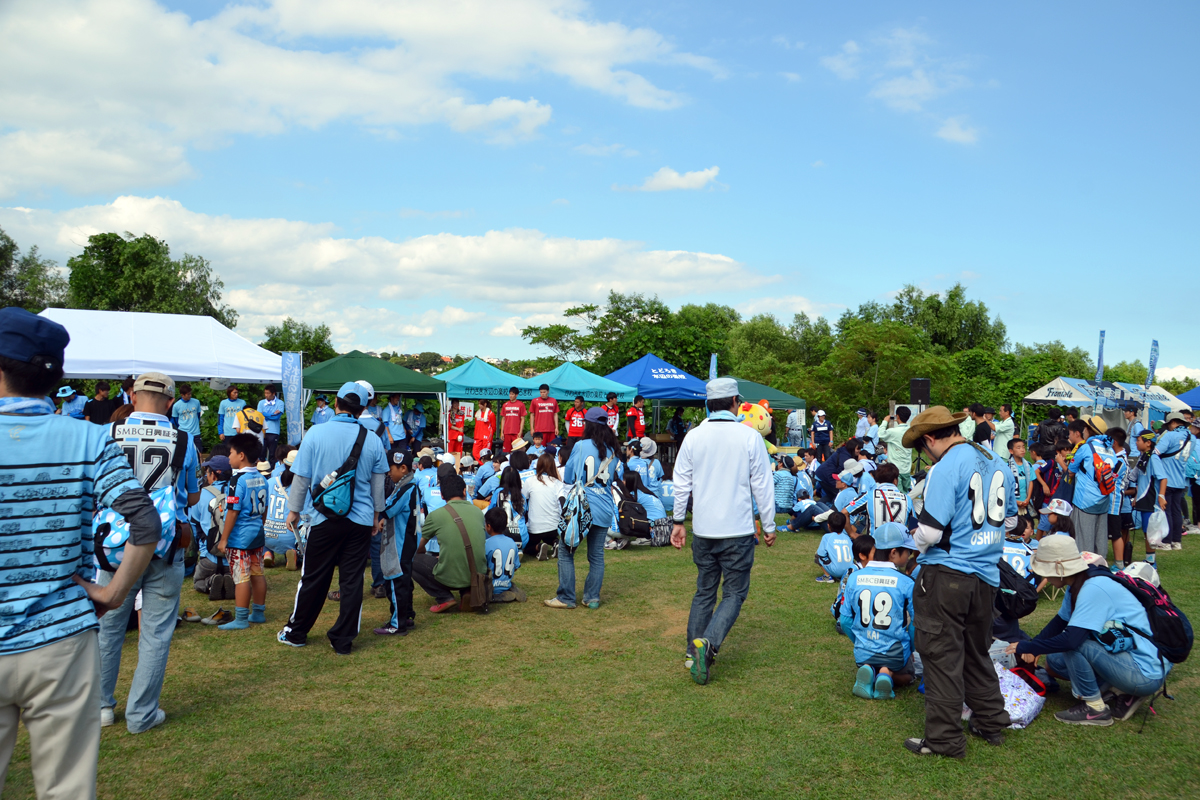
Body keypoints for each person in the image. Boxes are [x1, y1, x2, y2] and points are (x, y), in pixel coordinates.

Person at [0, 308, 160, 797]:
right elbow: (146, 522)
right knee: (66, 788)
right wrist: (114, 594)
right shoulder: (89, 438)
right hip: (62, 639)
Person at [901, 405, 1015, 758]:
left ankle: (944, 739)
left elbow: (932, 531)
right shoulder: (997, 460)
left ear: (930, 439)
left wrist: (913, 544)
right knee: (975, 652)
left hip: (948, 575)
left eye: (922, 448)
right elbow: (1010, 522)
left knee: (941, 656)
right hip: (986, 576)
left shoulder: (945, 466)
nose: (923, 454)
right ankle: (990, 720)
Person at [97, 372, 201, 734]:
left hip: (115, 545)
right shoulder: (183, 439)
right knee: (156, 632)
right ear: (171, 401)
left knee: (108, 627)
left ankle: (102, 707)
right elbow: (192, 497)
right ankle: (142, 714)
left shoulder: (106, 433)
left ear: (132, 394)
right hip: (164, 544)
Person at [671, 377, 776, 685]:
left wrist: (678, 522)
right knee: (734, 592)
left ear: (707, 404)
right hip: (738, 531)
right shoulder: (748, 437)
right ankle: (709, 644)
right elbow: (762, 484)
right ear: (735, 403)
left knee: (704, 590)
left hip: (704, 530)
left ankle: (693, 651)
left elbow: (681, 483)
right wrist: (768, 526)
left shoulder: (693, 436)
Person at [1008, 535, 1171, 725]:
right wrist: (1033, 646)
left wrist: (1028, 647)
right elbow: (1061, 621)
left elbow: (1071, 640)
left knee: (1075, 644)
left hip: (1145, 672)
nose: (1044, 577)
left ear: (1059, 568)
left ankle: (1096, 708)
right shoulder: (1078, 582)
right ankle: (1116, 690)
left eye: (1046, 571)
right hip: (1127, 657)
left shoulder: (1093, 587)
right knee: (1054, 662)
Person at [279, 382, 388, 654]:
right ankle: (343, 639)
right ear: (363, 409)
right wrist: (376, 516)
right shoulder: (372, 439)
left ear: (336, 403)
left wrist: (293, 510)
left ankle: (296, 632)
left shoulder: (316, 433)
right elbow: (378, 484)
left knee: (314, 577)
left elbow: (301, 477)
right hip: (360, 520)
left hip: (322, 517)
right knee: (352, 580)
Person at [546, 407, 619, 610]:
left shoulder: (580, 445)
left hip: (582, 506)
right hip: (604, 506)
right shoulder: (614, 450)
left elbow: (569, 477)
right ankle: (592, 597)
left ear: (588, 425)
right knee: (596, 556)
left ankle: (566, 598)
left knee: (566, 551)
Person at [841, 522, 917, 700]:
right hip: (895, 652)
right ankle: (885, 674)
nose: (909, 555)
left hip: (862, 651)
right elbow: (915, 624)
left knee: (870, 657)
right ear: (893, 553)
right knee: (909, 675)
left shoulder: (854, 577)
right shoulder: (906, 582)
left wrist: (859, 640)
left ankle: (869, 668)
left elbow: (844, 620)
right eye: (907, 551)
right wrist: (910, 649)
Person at [210, 433, 268, 630]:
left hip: (240, 537)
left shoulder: (236, 481)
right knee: (257, 573)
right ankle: (258, 612)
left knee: (241, 577)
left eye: (231, 453)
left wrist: (224, 539)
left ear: (241, 455)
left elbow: (233, 512)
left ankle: (241, 618)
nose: (229, 457)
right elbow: (264, 509)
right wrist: (260, 524)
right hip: (257, 534)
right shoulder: (262, 478)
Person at [412, 474, 487, 613]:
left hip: (450, 576)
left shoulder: (435, 515)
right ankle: (467, 592)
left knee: (411, 560)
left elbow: (419, 547)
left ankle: (444, 597)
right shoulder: (478, 512)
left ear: (442, 496)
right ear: (464, 491)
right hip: (477, 573)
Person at [374, 449, 419, 635]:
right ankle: (407, 616)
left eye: (390, 469)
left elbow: (388, 507)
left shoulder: (406, 488)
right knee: (405, 583)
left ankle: (397, 624)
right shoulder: (409, 485)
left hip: (401, 544)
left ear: (402, 468)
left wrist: (377, 510)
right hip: (408, 542)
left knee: (396, 582)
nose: (388, 473)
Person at [1067, 416, 1118, 557]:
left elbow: (1071, 470)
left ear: (1088, 430)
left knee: (1083, 537)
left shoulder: (1086, 448)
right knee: (1100, 538)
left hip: (1085, 499)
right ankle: (1100, 566)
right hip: (1104, 498)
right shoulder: (1110, 449)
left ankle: (1084, 569)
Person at [191, 456, 234, 595]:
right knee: (242, 578)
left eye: (208, 471)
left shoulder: (201, 494)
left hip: (208, 557)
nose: (206, 474)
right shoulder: (238, 491)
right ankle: (231, 580)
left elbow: (194, 523)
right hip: (234, 557)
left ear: (214, 474)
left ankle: (210, 582)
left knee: (198, 582)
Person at [1154, 412, 1191, 549]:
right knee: (1176, 510)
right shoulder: (1190, 437)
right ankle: (1177, 541)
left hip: (1166, 478)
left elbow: (1157, 452)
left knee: (1166, 510)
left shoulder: (1170, 435)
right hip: (1181, 478)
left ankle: (1166, 541)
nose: (1168, 427)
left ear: (1173, 422)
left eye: (1169, 424)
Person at [522, 453, 562, 560]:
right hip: (554, 526)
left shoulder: (530, 481)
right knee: (550, 537)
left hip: (535, 527)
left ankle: (538, 547)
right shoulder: (557, 483)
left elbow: (523, 499)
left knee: (526, 547)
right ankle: (555, 542)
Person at [484, 507, 525, 602]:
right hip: (506, 583)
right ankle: (509, 589)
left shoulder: (486, 544)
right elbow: (516, 566)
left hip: (490, 585)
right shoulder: (512, 543)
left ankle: (495, 596)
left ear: (488, 526)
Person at [814, 512, 854, 583]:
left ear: (828, 525)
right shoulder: (847, 537)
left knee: (818, 555)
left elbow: (821, 554)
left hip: (835, 570)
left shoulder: (827, 537)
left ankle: (827, 576)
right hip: (848, 571)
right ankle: (844, 576)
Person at [170, 382, 203, 453]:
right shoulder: (176, 405)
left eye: (190, 393)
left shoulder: (196, 402)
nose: (190, 395)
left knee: (198, 452)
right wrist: (181, 427)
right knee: (184, 452)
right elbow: (175, 420)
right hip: (183, 432)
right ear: (182, 395)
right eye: (188, 394)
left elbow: (198, 415)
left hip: (195, 432)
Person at [256, 384, 284, 466]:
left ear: (273, 393)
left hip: (273, 431)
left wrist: (264, 414)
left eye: (268, 393)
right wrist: (271, 414)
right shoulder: (261, 402)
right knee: (261, 453)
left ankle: (272, 470)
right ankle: (261, 469)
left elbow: (277, 417)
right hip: (263, 431)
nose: (266, 395)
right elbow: (259, 416)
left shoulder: (280, 403)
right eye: (265, 393)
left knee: (273, 454)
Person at [500, 387, 527, 452]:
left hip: (516, 432)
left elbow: (522, 419)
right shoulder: (505, 405)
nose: (510, 396)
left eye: (512, 394)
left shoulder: (521, 405)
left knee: (518, 450)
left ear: (516, 395)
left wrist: (520, 431)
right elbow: (503, 419)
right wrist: (502, 432)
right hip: (507, 432)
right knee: (507, 451)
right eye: (510, 394)